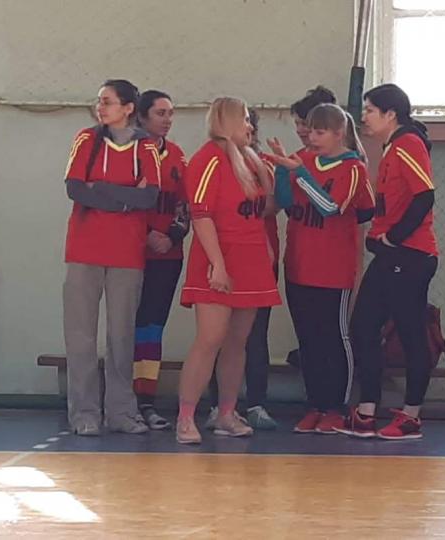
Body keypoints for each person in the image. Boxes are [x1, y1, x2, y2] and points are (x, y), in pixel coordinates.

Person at [175, 97, 280, 444]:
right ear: (229, 121)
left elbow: (261, 211)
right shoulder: (207, 159)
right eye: (245, 120)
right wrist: (218, 264)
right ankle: (186, 417)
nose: (250, 126)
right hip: (218, 259)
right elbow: (201, 214)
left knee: (238, 342)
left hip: (250, 260)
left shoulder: (251, 161)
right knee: (210, 339)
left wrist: (264, 247)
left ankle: (226, 413)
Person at [61, 79, 163, 436]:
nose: (100, 107)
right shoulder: (86, 139)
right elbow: (75, 188)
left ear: (128, 108)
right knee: (80, 335)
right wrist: (123, 198)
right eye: (99, 101)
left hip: (127, 253)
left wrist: (102, 190)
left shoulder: (146, 146)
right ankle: (84, 412)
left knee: (121, 336)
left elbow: (150, 195)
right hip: (84, 249)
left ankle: (121, 412)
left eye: (108, 101)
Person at [265, 103, 374, 434]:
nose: (311, 137)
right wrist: (282, 172)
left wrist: (299, 173)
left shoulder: (353, 167)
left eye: (319, 131)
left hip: (333, 271)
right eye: (309, 130)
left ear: (339, 133)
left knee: (334, 338)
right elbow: (286, 203)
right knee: (308, 339)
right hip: (299, 266)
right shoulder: (301, 159)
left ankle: (337, 406)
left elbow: (329, 207)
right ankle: (315, 404)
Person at [338, 84, 439, 441]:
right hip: (391, 254)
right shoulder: (391, 147)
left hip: (409, 255)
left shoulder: (408, 143)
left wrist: (395, 237)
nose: (364, 117)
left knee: (410, 333)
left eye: (369, 110)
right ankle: (367, 411)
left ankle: (411, 415)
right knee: (364, 326)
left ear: (390, 114)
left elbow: (424, 195)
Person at [131, 90, 190, 430]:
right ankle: (124, 401)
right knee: (127, 327)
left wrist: (171, 236)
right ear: (141, 116)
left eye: (170, 113)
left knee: (152, 328)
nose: (167, 120)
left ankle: (146, 400)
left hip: (168, 255)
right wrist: (146, 234)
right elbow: (121, 204)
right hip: (131, 255)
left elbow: (186, 205)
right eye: (160, 113)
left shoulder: (177, 156)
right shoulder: (129, 153)